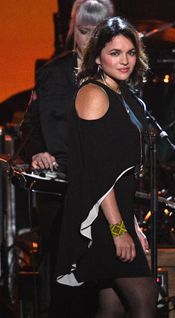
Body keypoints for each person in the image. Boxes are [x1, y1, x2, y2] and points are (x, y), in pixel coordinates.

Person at [56, 17, 158, 317]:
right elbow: (100, 173)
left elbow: (120, 171)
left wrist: (134, 226)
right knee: (144, 299)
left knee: (111, 308)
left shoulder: (120, 93)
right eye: (115, 53)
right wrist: (118, 230)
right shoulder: (93, 95)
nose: (125, 60)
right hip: (99, 217)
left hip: (116, 214)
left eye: (130, 52)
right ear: (98, 56)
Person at [20, 1, 114, 317]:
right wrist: (37, 151)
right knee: (64, 280)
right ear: (75, 30)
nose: (90, 39)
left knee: (103, 282)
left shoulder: (117, 77)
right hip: (59, 190)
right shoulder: (52, 74)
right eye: (85, 32)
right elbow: (29, 128)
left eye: (98, 32)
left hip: (104, 190)